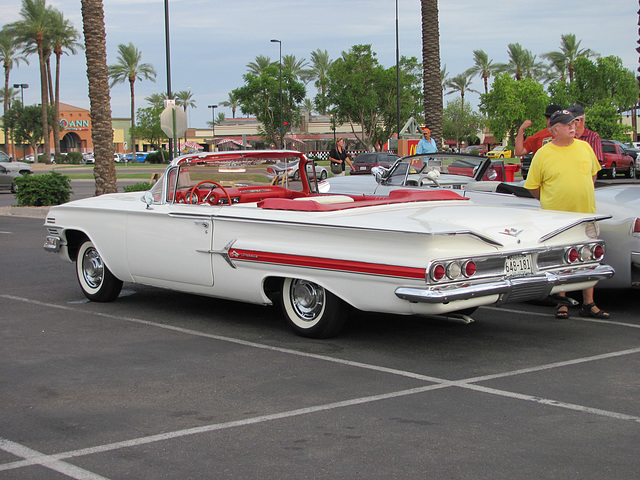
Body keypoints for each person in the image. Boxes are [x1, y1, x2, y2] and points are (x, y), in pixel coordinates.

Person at [524, 110, 610, 320]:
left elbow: (593, 174)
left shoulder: (585, 147)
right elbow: (533, 187)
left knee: (588, 259)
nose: (573, 127)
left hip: (586, 215)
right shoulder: (544, 154)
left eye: (574, 123)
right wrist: (550, 200)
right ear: (555, 130)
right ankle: (561, 303)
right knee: (560, 260)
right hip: (557, 220)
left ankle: (588, 303)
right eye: (567, 124)